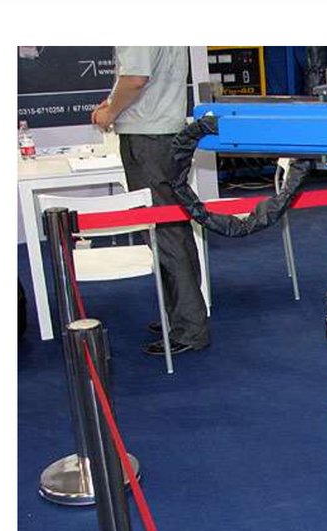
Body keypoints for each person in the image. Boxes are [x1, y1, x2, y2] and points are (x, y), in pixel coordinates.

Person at [92, 46, 210, 355]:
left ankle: (189, 327)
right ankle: (183, 317)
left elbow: (135, 79)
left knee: (165, 233)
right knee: (172, 230)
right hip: (162, 132)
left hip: (148, 138)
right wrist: (113, 104)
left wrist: (110, 112)